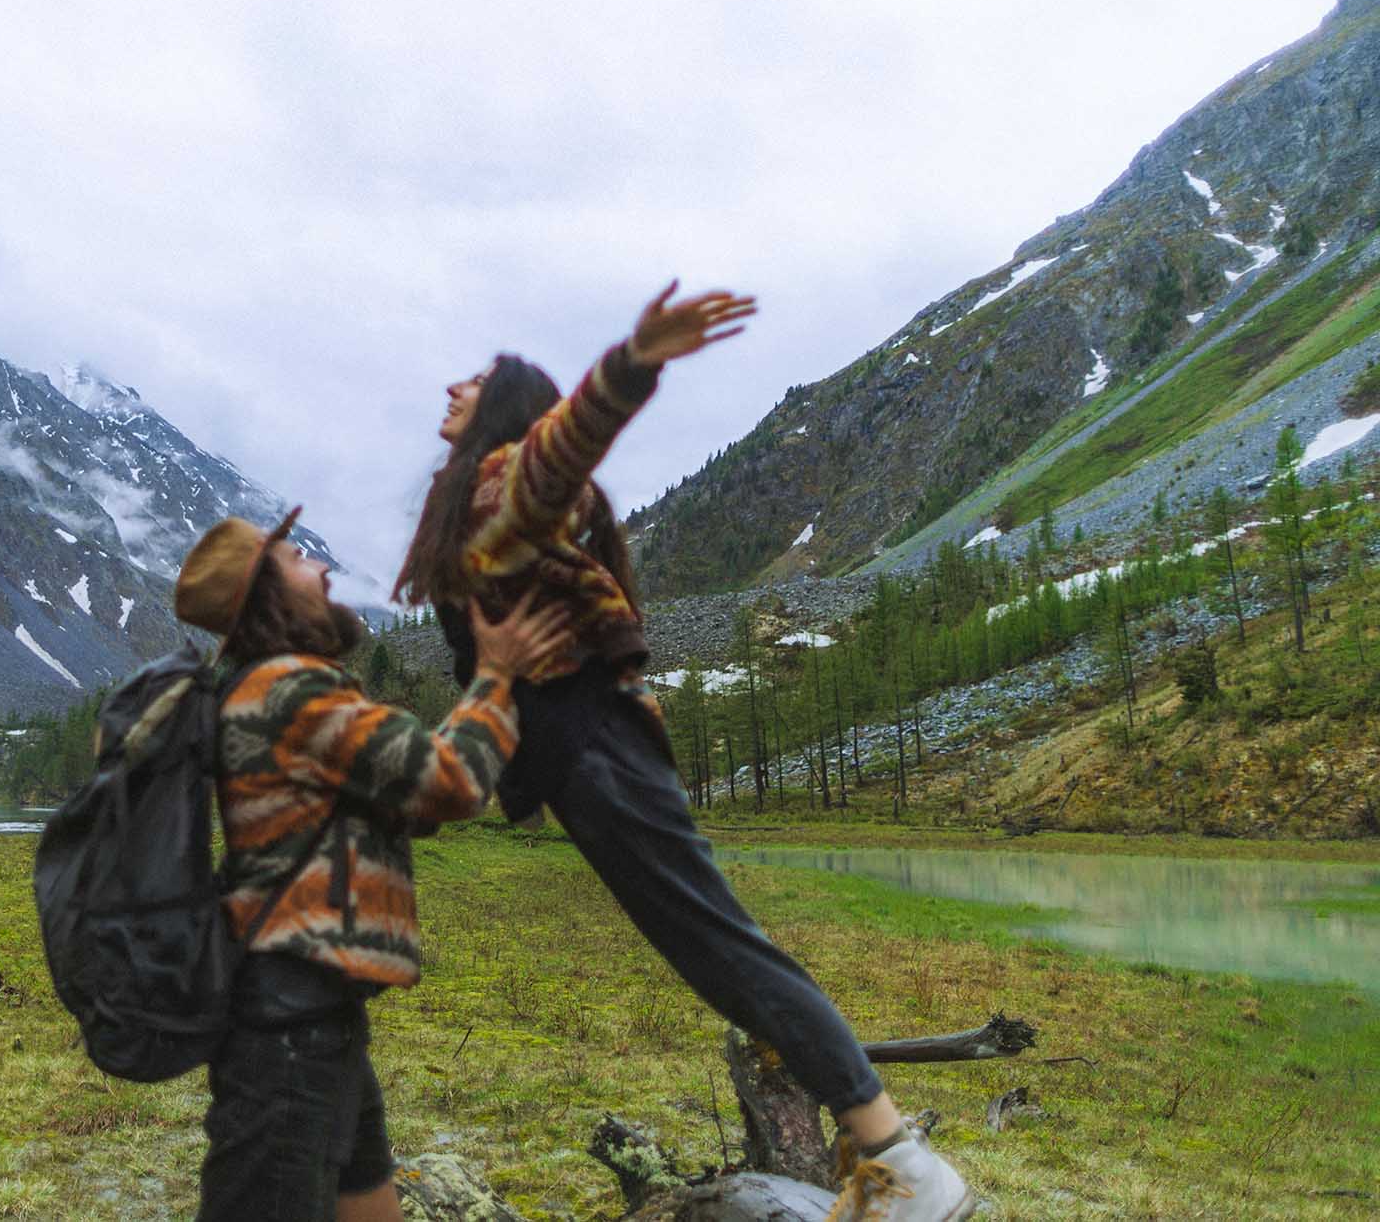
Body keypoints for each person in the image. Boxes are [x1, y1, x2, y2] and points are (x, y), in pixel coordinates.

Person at [393, 282, 977, 1222]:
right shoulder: (477, 503)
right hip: (588, 753)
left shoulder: (506, 477)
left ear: (507, 409)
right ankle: (888, 1160)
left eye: (473, 379)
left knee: (726, 949)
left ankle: (901, 1162)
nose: (451, 388)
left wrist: (632, 363)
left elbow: (560, 448)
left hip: (596, 749)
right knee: (716, 955)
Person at [175, 506, 565, 1222]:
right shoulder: (289, 688)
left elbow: (406, 798)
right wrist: (499, 675)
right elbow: (448, 781)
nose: (323, 568)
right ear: (266, 594)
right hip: (289, 1026)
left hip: (316, 1018)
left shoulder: (275, 689)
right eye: (298, 560)